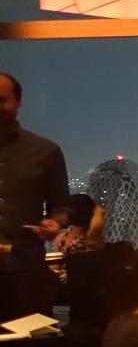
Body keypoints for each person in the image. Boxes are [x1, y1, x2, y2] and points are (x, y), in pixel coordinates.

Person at [0, 72, 73, 320]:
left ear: (18, 102)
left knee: (28, 345)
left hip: (26, 270)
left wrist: (56, 223)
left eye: (2, 99)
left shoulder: (45, 151)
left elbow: (63, 206)